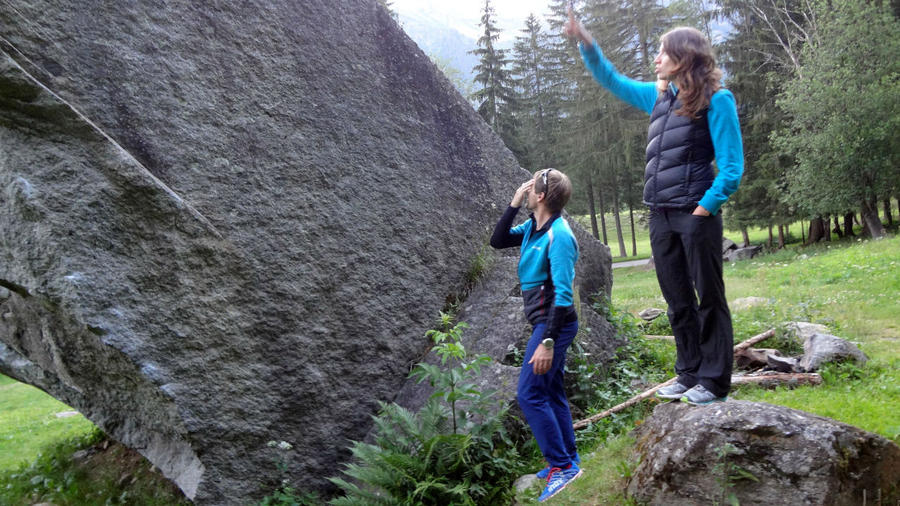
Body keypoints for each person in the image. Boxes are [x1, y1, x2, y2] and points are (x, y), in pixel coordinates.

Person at [565, 10, 744, 405]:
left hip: (695, 214)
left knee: (709, 298)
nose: (657, 58)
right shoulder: (660, 96)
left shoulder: (718, 100)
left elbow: (732, 168)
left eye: (664, 52)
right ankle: (689, 373)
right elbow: (612, 80)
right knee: (677, 298)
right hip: (660, 214)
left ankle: (714, 382)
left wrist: (704, 209)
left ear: (684, 57)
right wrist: (587, 41)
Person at [490, 168, 582, 502]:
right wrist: (514, 204)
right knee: (551, 389)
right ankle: (569, 458)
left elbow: (562, 295)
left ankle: (562, 467)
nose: (527, 190)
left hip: (553, 325)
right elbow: (498, 240)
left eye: (531, 188)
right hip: (544, 323)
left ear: (541, 196)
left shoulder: (559, 236)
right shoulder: (533, 227)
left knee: (529, 393)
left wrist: (547, 342)